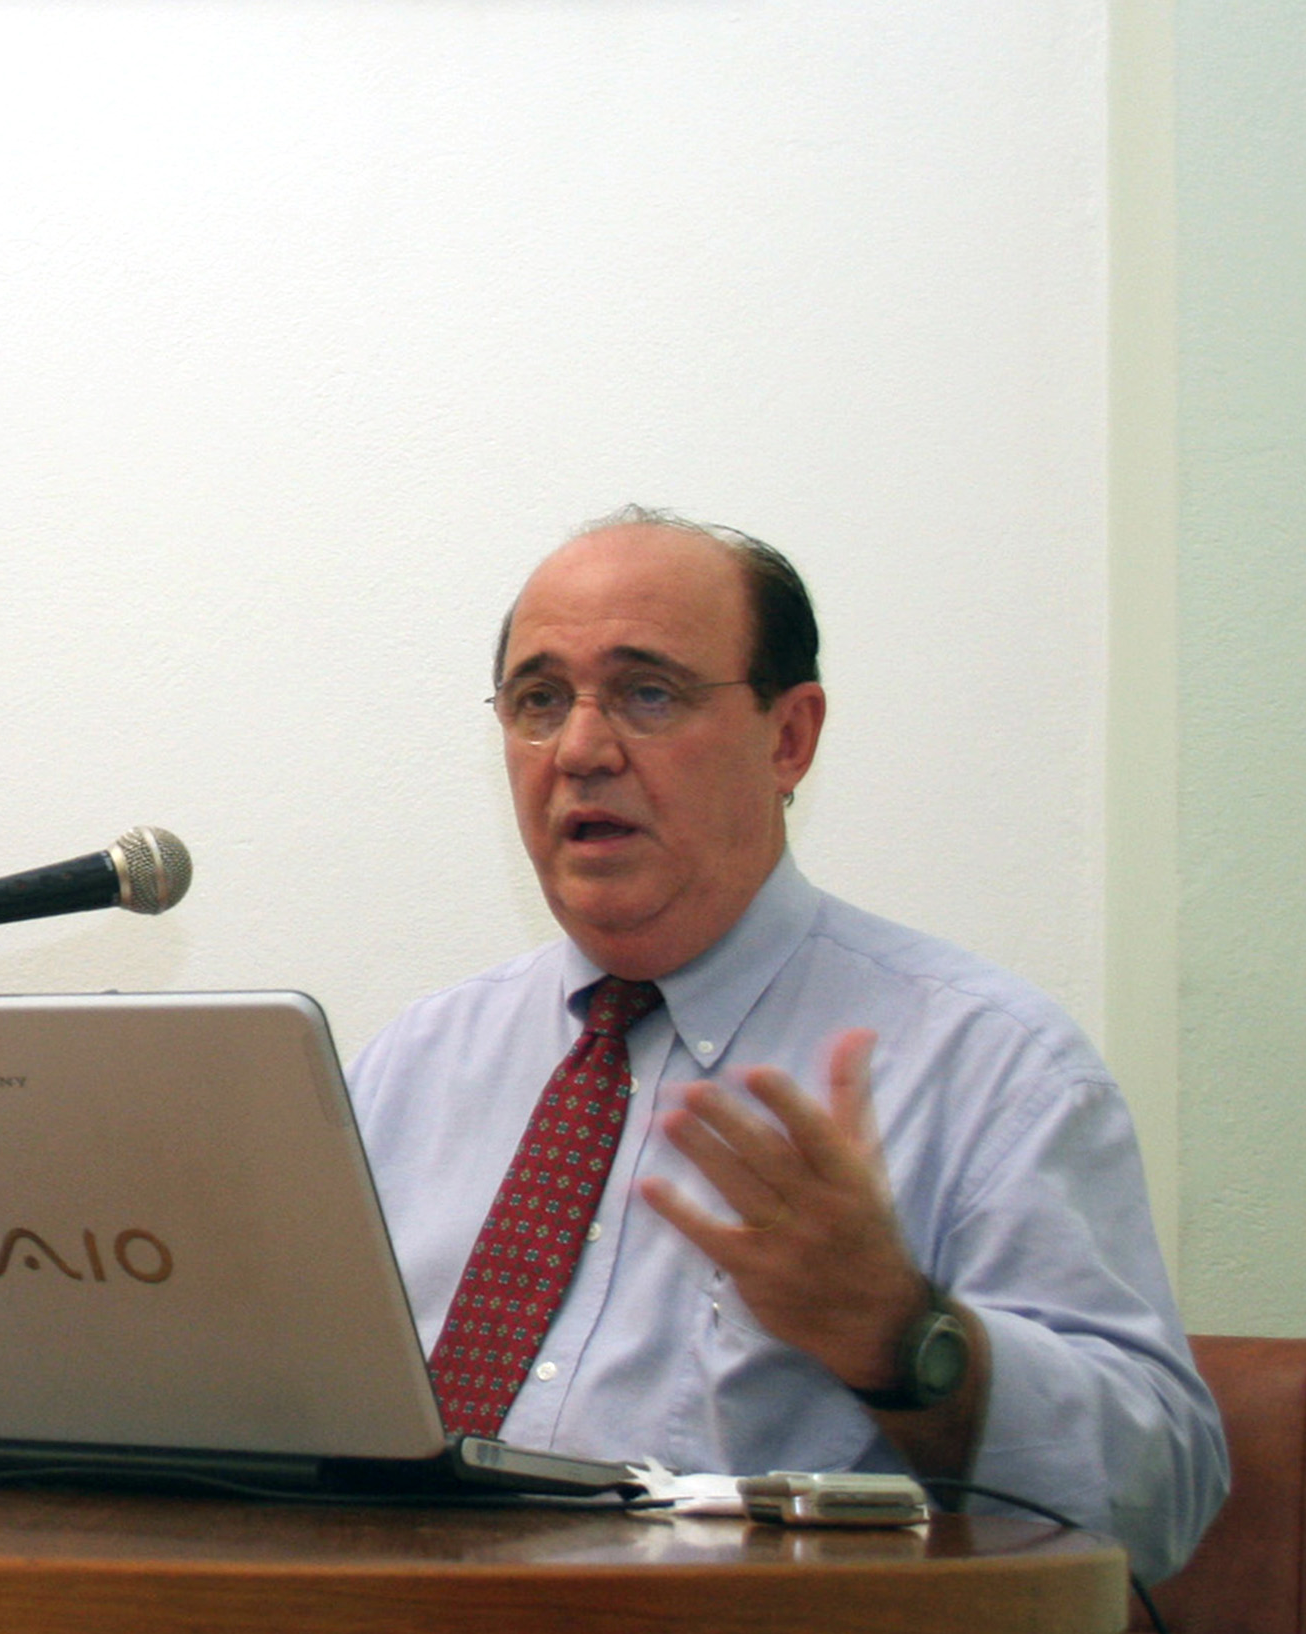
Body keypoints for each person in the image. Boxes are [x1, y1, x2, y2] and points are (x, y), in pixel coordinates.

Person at [348, 506, 1227, 1582]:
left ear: (789, 737)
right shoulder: (413, 1066)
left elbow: (1159, 1499)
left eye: (648, 693)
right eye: (539, 701)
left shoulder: (988, 1066)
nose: (578, 750)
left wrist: (904, 1336)